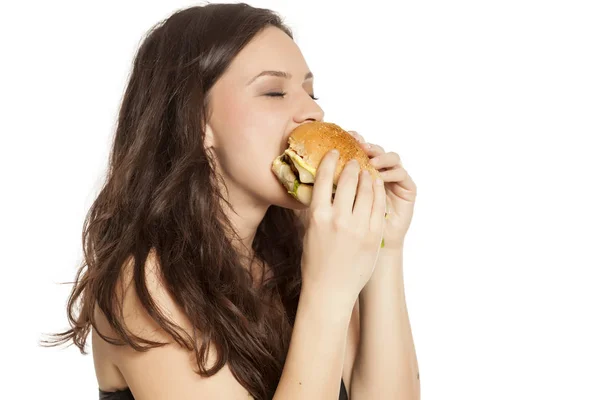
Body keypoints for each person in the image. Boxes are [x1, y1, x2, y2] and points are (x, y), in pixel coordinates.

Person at [40, 3, 419, 399]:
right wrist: (328, 293)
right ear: (197, 122)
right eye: (275, 91)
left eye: (311, 92)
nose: (313, 111)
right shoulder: (147, 285)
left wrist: (385, 248)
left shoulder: (298, 255)